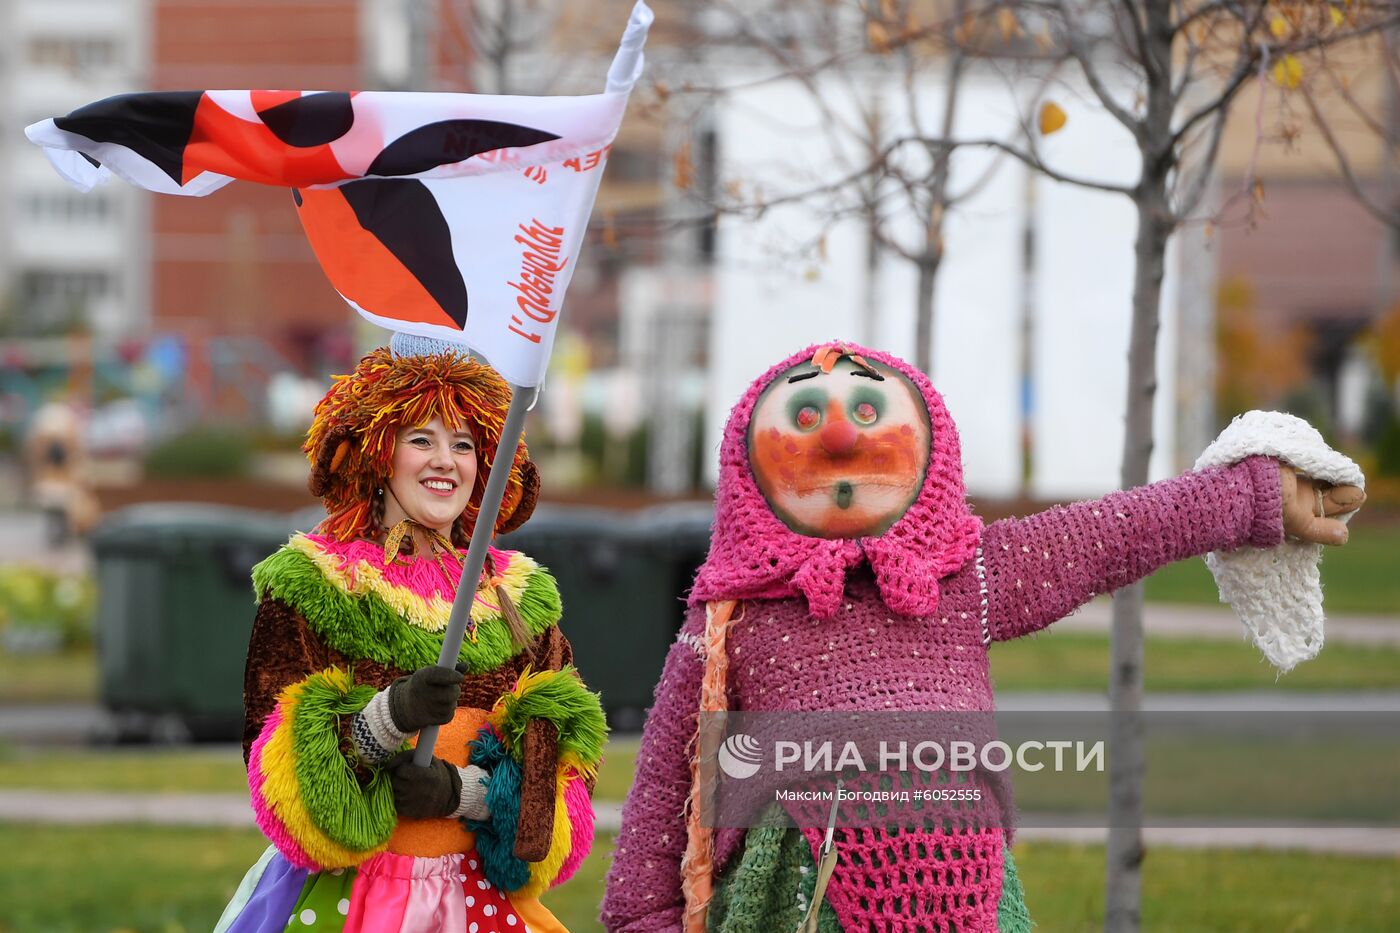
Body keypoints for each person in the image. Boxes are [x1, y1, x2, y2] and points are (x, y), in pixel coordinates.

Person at [600, 341, 1364, 933]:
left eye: (869, 413)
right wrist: (645, 917)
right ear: (749, 472)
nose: (838, 432)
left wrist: (1252, 495)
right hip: (796, 897)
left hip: (974, 900)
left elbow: (1110, 535)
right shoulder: (731, 624)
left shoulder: (966, 580)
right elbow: (664, 795)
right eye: (805, 418)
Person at [217, 335, 604, 933]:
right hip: (353, 899)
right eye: (420, 439)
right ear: (377, 454)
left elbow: (564, 773)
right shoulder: (316, 583)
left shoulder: (519, 598)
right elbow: (275, 766)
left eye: (465, 444)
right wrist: (387, 718)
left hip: (478, 903)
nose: (445, 461)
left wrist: (462, 794)